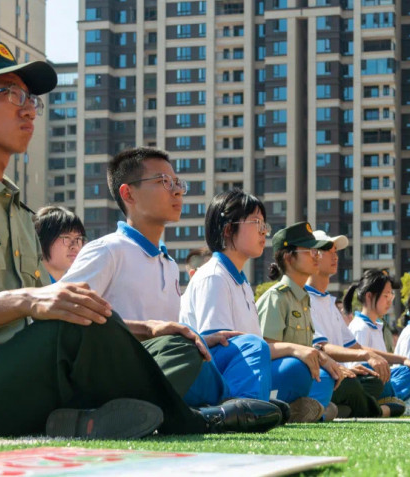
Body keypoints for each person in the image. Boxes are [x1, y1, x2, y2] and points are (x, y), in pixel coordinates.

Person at [0, 39, 275, 438]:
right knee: (70, 324)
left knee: (173, 345)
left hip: (22, 371)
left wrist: (149, 329)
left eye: (29, 98)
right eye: (9, 93)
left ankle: (84, 419)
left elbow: (52, 313)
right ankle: (194, 418)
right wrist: (31, 299)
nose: (27, 108)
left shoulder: (16, 210)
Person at [62, 148, 281, 427]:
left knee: (247, 347)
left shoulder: (166, 262)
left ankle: (230, 412)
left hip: (169, 363)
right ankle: (235, 413)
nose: (177, 191)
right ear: (128, 194)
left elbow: (169, 333)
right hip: (126, 370)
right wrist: (150, 330)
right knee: (210, 363)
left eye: (178, 183)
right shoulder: (107, 251)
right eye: (164, 182)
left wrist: (198, 337)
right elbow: (64, 317)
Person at [180, 189, 328, 422]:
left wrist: (294, 350)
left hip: (238, 369)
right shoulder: (214, 276)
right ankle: (246, 411)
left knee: (300, 369)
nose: (263, 232)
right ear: (228, 229)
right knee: (261, 350)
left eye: (264, 225)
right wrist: (290, 348)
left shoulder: (242, 283)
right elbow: (218, 348)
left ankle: (266, 406)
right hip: (208, 376)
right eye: (256, 223)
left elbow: (250, 350)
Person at [257, 222, 393, 419]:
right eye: (310, 251)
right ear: (288, 256)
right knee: (302, 369)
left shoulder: (303, 299)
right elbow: (264, 349)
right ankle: (291, 409)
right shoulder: (276, 298)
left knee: (331, 377)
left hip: (303, 376)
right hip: (284, 376)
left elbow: (312, 349)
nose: (316, 255)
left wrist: (322, 360)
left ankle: (311, 410)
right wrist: (312, 355)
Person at [345, 269, 410, 415]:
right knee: (391, 376)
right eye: (386, 295)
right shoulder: (359, 327)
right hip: (369, 383)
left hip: (382, 380)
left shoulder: (377, 327)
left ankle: (399, 402)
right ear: (369, 296)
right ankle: (401, 404)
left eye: (391, 295)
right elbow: (358, 370)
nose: (390, 300)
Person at [33, 206, 86, 282]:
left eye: (78, 239)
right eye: (67, 238)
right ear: (42, 240)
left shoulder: (73, 286)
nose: (75, 246)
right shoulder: (28, 285)